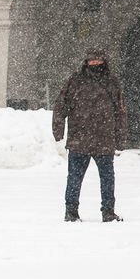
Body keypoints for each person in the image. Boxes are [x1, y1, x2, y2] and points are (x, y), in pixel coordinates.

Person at [52, 49, 127, 223]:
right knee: (76, 178)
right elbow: (60, 107)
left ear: (104, 62)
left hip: (98, 139)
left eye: (98, 61)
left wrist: (120, 138)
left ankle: (107, 211)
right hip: (83, 139)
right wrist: (58, 133)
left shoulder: (110, 83)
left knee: (104, 178)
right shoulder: (76, 82)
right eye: (92, 61)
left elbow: (120, 112)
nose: (95, 64)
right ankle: (71, 211)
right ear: (86, 62)